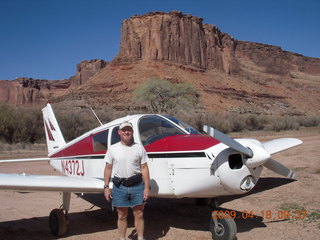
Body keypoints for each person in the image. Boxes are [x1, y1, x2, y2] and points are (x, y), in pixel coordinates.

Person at [104, 121, 150, 240]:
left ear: (132, 132)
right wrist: (106, 187)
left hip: (137, 185)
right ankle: (122, 238)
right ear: (119, 132)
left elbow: (144, 168)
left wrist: (146, 187)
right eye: (124, 130)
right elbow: (108, 168)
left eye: (129, 130)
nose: (126, 132)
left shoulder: (139, 148)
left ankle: (140, 237)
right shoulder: (112, 149)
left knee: (139, 214)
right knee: (122, 215)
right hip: (120, 186)